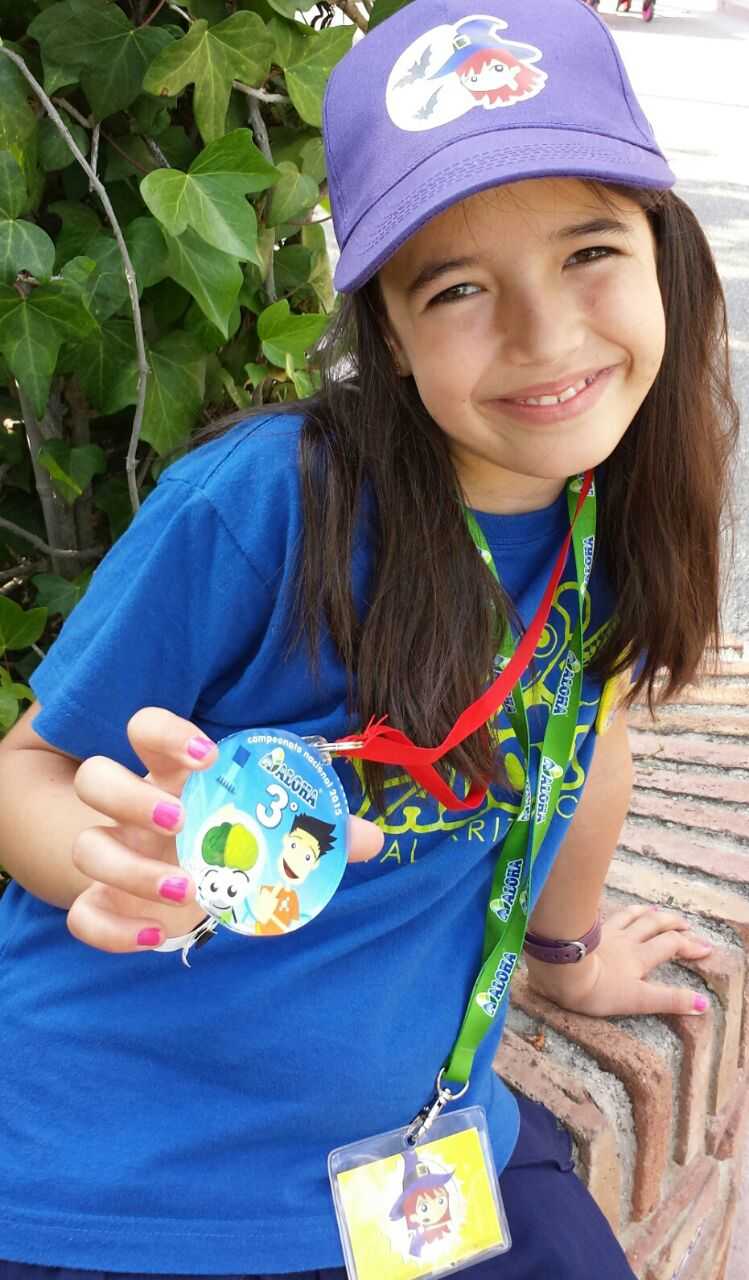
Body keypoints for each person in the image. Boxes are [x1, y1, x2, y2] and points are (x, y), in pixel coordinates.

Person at [0, 1, 738, 1278]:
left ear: (660, 252)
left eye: (587, 250)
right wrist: (108, 863)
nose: (546, 334)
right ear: (386, 333)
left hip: (416, 1149)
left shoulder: (610, 502)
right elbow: (27, 772)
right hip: (120, 1174)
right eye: (456, 287)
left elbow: (585, 733)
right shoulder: (264, 507)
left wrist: (562, 953)